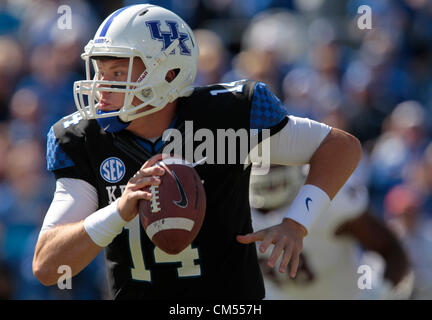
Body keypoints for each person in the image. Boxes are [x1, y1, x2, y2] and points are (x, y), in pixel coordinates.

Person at [32, 4, 361, 299]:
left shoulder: (229, 114)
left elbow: (340, 147)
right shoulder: (82, 137)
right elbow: (48, 265)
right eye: (100, 73)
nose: (102, 87)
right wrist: (119, 211)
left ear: (168, 74)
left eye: (117, 73)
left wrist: (297, 223)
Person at [250, 165, 413, 299]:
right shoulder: (234, 206)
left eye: (276, 162)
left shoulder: (327, 196)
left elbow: (391, 248)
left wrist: (379, 293)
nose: (268, 168)